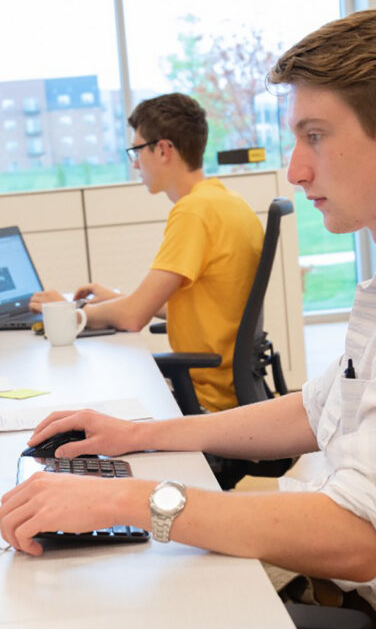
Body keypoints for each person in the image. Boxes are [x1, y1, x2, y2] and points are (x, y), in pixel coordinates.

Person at [0, 6, 376, 629]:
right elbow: (317, 411)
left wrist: (126, 501)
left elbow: (358, 535)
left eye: (314, 135)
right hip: (350, 590)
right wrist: (139, 434)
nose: (296, 168)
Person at [29, 93, 262, 413]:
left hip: (207, 401)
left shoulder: (194, 212)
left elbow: (132, 317)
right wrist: (117, 298)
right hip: (231, 391)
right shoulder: (226, 202)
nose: (136, 163)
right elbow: (211, 307)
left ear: (163, 149)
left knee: (81, 400)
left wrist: (68, 313)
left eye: (137, 151)